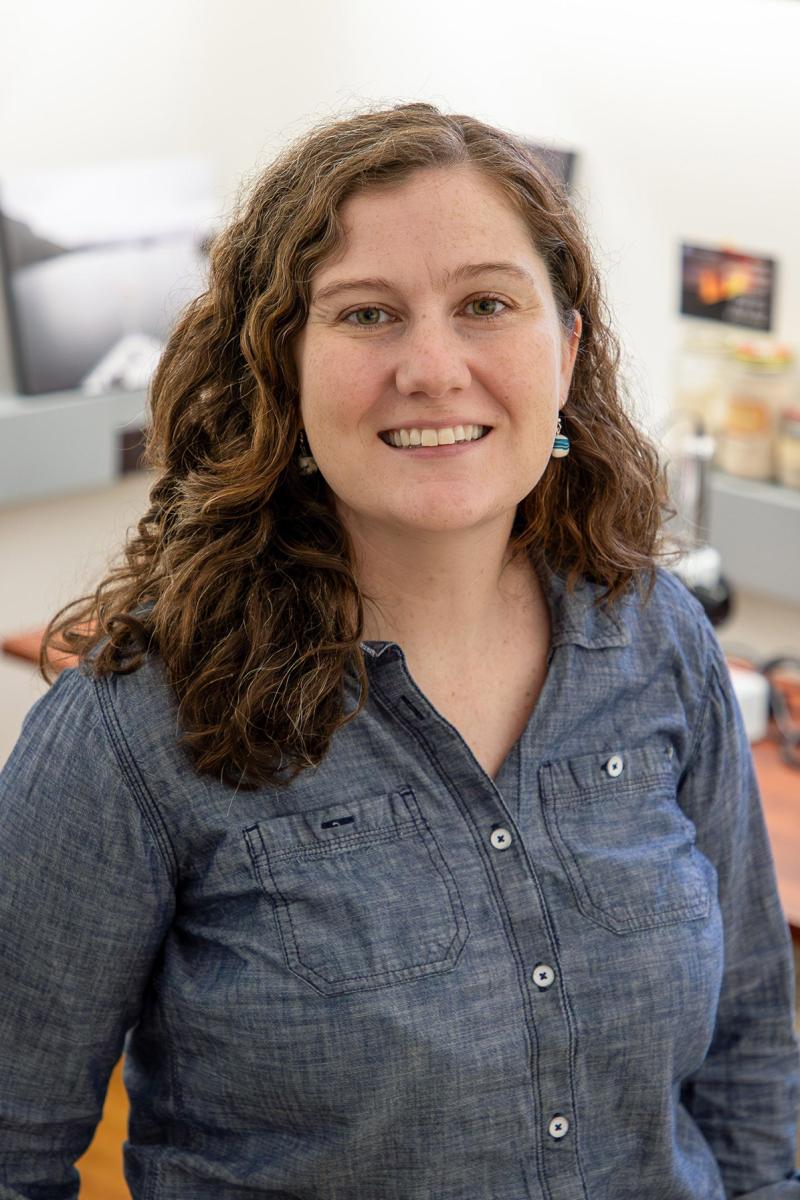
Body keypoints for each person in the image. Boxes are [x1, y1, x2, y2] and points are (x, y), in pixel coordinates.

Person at [0, 102, 797, 1200]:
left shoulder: (656, 641)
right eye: (367, 315)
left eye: (484, 304)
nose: (431, 367)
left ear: (562, 351)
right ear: (277, 368)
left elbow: (752, 1061)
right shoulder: (131, 731)